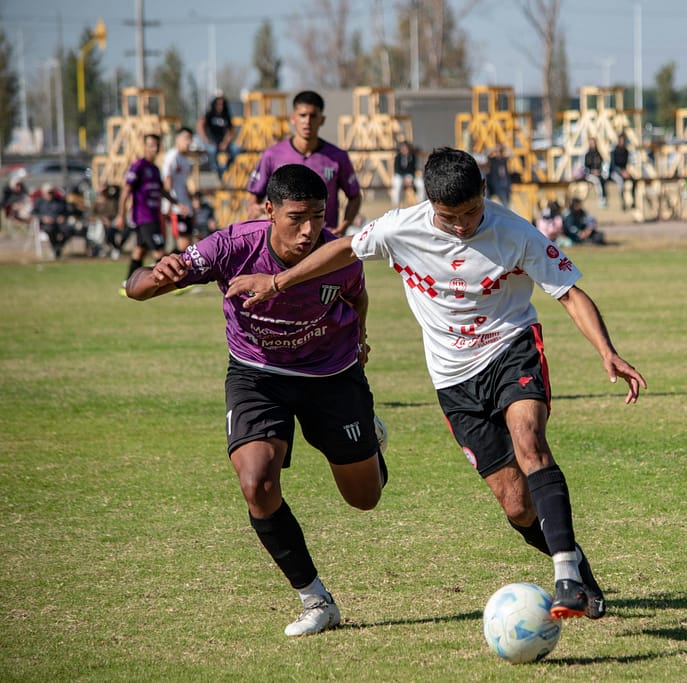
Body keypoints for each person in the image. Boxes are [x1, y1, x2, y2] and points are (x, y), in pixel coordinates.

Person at [224, 147, 647, 622]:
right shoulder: (402, 227)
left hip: (511, 346)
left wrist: (607, 352)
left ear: (484, 193)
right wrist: (277, 283)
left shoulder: (515, 233)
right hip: (452, 376)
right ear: (430, 205)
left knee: (530, 442)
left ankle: (566, 575)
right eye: (451, 217)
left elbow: (569, 294)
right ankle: (575, 563)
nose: (464, 226)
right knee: (516, 505)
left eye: (472, 212)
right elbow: (343, 248)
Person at [125, 164, 387, 638]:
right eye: (296, 217)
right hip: (257, 374)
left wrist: (361, 338)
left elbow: (357, 298)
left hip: (331, 374)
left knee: (364, 499)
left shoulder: (339, 255)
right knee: (257, 484)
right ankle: (316, 599)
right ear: (269, 211)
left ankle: (368, 434)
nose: (308, 230)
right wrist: (152, 274)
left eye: (317, 216)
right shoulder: (230, 247)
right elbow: (140, 287)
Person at [247, 90, 362, 237]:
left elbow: (355, 196)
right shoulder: (272, 155)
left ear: (322, 120)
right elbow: (253, 198)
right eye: (302, 115)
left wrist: (343, 227)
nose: (307, 121)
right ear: (293, 118)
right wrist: (255, 210)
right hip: (283, 242)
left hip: (321, 241)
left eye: (313, 116)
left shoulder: (338, 157)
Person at [116, 133, 187, 290]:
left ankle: (128, 284)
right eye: (151, 145)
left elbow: (162, 191)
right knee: (159, 251)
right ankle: (173, 283)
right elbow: (125, 191)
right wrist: (120, 215)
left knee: (140, 250)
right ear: (145, 146)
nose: (154, 149)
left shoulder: (154, 169)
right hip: (143, 216)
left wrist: (177, 204)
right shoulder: (138, 166)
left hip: (153, 215)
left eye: (157, 145)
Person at [162, 127, 197, 253]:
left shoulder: (185, 160)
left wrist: (193, 200)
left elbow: (185, 184)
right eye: (186, 138)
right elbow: (167, 181)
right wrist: (170, 204)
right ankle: (161, 265)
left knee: (188, 246)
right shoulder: (172, 156)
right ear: (177, 139)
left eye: (190, 139)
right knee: (183, 246)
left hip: (185, 207)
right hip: (177, 208)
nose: (188, 142)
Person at [197, 92, 239, 183]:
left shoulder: (226, 115)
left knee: (236, 149)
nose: (220, 106)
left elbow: (230, 131)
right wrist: (206, 140)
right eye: (218, 104)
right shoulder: (209, 114)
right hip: (211, 142)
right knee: (212, 149)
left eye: (222, 104)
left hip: (222, 142)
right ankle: (216, 170)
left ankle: (224, 168)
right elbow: (200, 125)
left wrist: (225, 143)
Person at [32, 183, 71, 258]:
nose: (51, 194)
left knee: (69, 230)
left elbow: (67, 211)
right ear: (43, 193)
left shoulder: (59, 201)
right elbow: (33, 213)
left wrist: (63, 217)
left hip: (59, 223)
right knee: (50, 229)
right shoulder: (39, 202)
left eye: (52, 192)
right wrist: (43, 218)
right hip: (47, 224)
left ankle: (58, 247)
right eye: (49, 193)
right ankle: (56, 249)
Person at [391, 140, 425, 208]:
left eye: (407, 148)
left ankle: (421, 203)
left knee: (421, 183)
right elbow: (397, 170)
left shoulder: (412, 156)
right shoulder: (398, 157)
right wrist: (404, 180)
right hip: (399, 176)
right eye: (404, 148)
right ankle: (396, 205)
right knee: (397, 184)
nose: (405, 150)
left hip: (410, 176)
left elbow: (413, 169)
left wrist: (410, 179)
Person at [608, 133, 636, 211]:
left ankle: (633, 200)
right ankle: (623, 202)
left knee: (633, 180)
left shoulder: (625, 151)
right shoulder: (614, 151)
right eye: (621, 140)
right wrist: (621, 172)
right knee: (621, 182)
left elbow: (626, 164)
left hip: (623, 171)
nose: (622, 142)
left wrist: (626, 172)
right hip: (615, 172)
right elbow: (613, 166)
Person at [581, 138, 608, 207]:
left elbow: (602, 165)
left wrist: (599, 172)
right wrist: (592, 171)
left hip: (598, 174)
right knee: (597, 181)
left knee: (603, 180)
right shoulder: (587, 155)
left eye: (593, 143)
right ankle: (601, 198)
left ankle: (604, 197)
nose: (592, 144)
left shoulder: (598, 154)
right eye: (591, 143)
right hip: (589, 175)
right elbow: (584, 168)